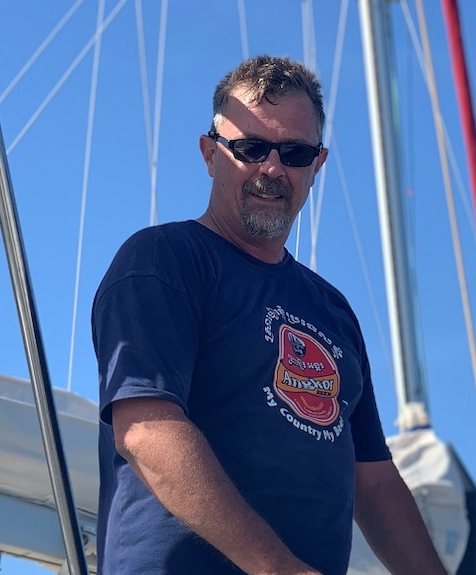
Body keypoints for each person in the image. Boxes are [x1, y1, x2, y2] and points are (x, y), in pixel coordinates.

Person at [91, 55, 447, 575]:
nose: (273, 168)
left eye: (295, 152)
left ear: (317, 165)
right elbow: (146, 429)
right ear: (210, 153)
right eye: (251, 148)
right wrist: (276, 568)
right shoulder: (163, 261)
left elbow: (372, 479)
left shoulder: (333, 310)